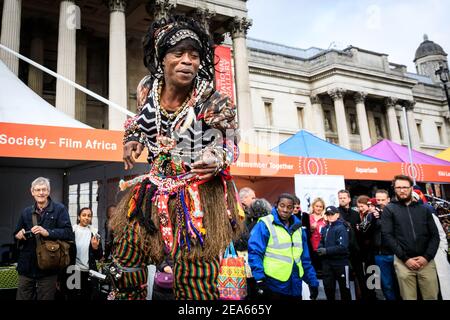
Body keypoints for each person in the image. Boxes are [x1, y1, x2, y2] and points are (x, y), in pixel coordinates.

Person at [119, 15, 244, 300]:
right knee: (126, 261)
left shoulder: (212, 100)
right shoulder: (147, 88)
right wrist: (133, 139)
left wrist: (216, 157)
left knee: (196, 279)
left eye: (195, 55)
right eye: (179, 53)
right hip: (152, 189)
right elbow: (138, 121)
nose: (188, 61)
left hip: (197, 197)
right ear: (163, 58)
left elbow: (232, 141)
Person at [248, 193, 319, 300]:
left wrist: (313, 282)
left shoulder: (299, 228)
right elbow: (255, 252)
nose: (285, 210)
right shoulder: (266, 224)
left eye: (289, 207)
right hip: (273, 284)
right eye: (282, 205)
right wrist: (259, 279)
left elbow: (304, 259)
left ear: (293, 209)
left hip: (295, 285)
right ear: (276, 205)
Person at [14, 177, 74, 300]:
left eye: (44, 189)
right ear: (32, 192)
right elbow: (16, 234)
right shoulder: (26, 212)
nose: (41, 193)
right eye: (37, 190)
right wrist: (19, 235)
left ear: (49, 191)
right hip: (27, 265)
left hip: (49, 265)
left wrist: (48, 232)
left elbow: (68, 233)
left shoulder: (59, 209)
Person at [381, 175, 440, 300]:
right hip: (403, 262)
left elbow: (435, 235)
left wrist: (426, 257)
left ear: (411, 188)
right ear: (394, 189)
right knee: (408, 298)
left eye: (405, 187)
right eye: (399, 187)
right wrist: (405, 258)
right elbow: (387, 236)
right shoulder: (389, 209)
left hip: (426, 262)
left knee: (431, 296)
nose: (402, 190)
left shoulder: (424, 209)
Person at [317, 206, 351, 300]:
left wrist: (326, 251)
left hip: (341, 263)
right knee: (328, 288)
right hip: (327, 263)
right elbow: (322, 241)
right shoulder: (325, 228)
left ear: (337, 215)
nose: (330, 216)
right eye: (328, 214)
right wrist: (320, 248)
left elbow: (343, 247)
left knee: (345, 289)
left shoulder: (342, 227)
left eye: (332, 214)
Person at [69, 207, 103, 300]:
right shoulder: (72, 231)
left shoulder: (95, 233)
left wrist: (95, 248)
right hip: (74, 270)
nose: (86, 218)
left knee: (89, 296)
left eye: (89, 216)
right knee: (74, 296)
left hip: (90, 271)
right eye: (84, 215)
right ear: (79, 217)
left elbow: (99, 256)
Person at [337, 189, 363, 299]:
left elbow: (359, 233)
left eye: (344, 197)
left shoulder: (356, 214)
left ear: (349, 199)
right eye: (340, 198)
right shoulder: (336, 213)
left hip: (356, 251)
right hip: (342, 252)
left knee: (361, 278)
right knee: (345, 280)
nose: (342, 199)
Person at [308, 197, 327, 274]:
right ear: (313, 206)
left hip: (323, 247)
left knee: (323, 270)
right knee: (313, 269)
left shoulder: (326, 218)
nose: (318, 208)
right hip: (311, 247)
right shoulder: (308, 217)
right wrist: (311, 229)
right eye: (317, 206)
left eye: (320, 206)